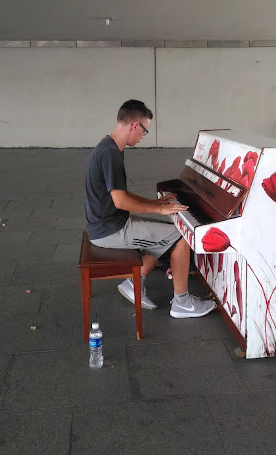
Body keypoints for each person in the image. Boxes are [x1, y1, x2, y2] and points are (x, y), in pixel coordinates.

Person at [84, 99, 216, 318]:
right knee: (181, 234)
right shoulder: (111, 154)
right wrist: (158, 210)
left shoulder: (108, 147)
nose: (143, 136)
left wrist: (154, 203)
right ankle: (182, 303)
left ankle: (134, 283)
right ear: (135, 125)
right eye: (144, 130)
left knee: (163, 232)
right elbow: (120, 202)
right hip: (110, 231)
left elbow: (120, 193)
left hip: (106, 225)